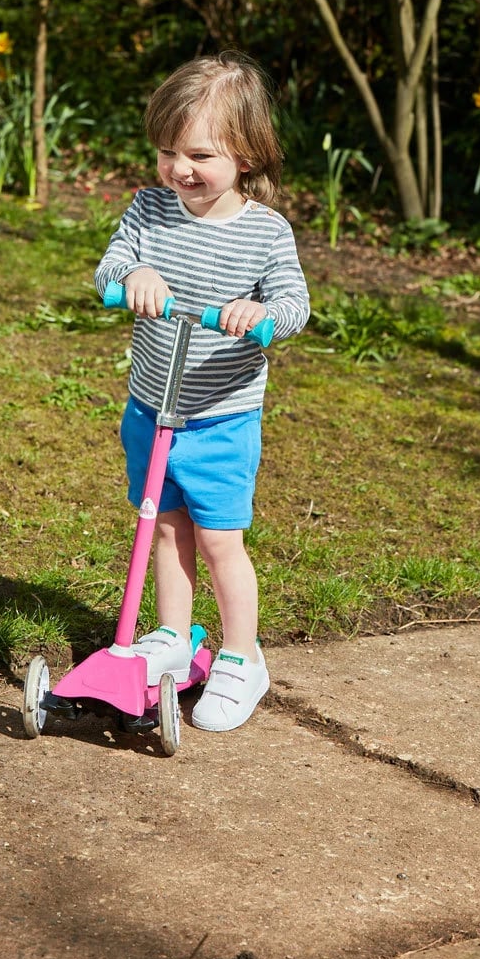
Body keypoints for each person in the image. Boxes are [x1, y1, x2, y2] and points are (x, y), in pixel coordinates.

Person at [94, 51, 310, 733]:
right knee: (164, 528)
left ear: (247, 155)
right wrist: (136, 277)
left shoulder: (265, 232)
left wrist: (262, 317)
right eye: (165, 151)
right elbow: (114, 262)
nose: (177, 169)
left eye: (197, 154)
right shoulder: (149, 209)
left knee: (219, 541)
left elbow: (293, 303)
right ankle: (173, 635)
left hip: (221, 419)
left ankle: (242, 658)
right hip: (151, 407)